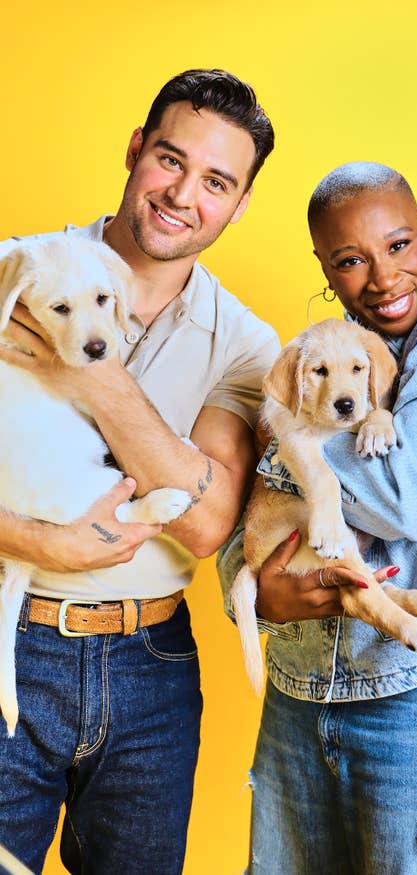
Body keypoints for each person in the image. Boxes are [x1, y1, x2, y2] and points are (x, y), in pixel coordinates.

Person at [218, 161, 417, 874]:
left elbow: (406, 496)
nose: (383, 277)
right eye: (350, 260)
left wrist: (289, 447)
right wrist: (252, 588)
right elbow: (241, 510)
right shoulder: (327, 352)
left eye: (399, 244)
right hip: (302, 688)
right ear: (325, 268)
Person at [0, 69, 279, 874]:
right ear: (134, 150)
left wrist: (88, 367)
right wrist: (37, 542)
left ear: (239, 203)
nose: (183, 193)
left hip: (150, 666)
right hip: (10, 632)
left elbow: (205, 518)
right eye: (169, 158)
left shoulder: (244, 343)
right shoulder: (21, 273)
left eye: (217, 181)